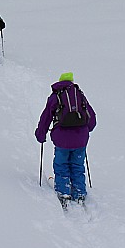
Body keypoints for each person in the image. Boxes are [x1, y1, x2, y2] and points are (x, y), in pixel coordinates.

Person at [35, 72, 96, 207]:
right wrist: (86, 130)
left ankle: (63, 192)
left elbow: (46, 118)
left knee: (61, 165)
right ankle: (79, 192)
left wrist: (41, 134)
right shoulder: (80, 95)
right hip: (81, 139)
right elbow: (91, 117)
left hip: (62, 140)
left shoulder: (55, 97)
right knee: (78, 165)